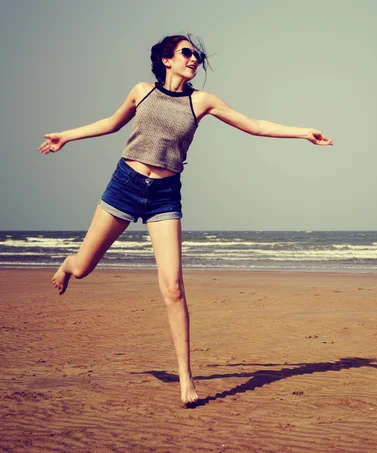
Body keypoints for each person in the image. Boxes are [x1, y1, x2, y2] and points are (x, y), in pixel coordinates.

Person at [38, 34, 333, 406]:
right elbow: (111, 124)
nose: (194, 59)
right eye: (186, 53)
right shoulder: (142, 91)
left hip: (164, 195)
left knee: (173, 287)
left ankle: (186, 379)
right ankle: (68, 264)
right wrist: (66, 136)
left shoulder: (202, 101)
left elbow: (254, 124)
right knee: (82, 268)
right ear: (166, 59)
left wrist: (303, 132)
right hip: (125, 185)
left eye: (197, 55)